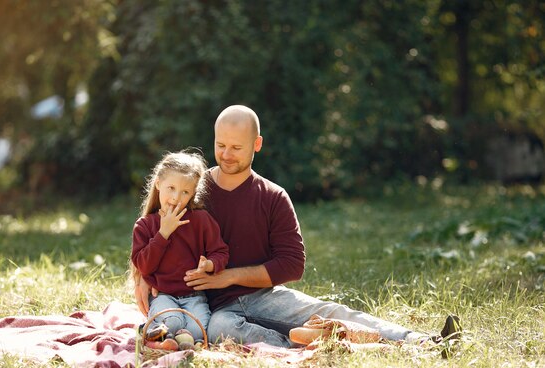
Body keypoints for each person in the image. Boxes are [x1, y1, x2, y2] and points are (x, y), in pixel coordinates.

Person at [135, 105, 458, 348]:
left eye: (237, 147)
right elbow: (152, 222)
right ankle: (310, 344)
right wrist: (140, 279)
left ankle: (425, 342)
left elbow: (292, 264)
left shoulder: (273, 196)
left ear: (257, 144)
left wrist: (228, 276)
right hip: (211, 307)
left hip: (262, 294)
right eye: (221, 145)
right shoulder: (194, 189)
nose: (226, 155)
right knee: (221, 330)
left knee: (331, 309)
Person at [131, 151, 229, 349]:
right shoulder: (146, 225)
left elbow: (221, 252)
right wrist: (163, 233)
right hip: (163, 296)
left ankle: (173, 340)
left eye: (185, 192)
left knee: (199, 329)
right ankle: (159, 338)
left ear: (193, 193)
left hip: (195, 297)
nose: (176, 197)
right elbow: (144, 266)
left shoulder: (201, 220)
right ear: (158, 184)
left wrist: (209, 264)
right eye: (171, 188)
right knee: (173, 322)